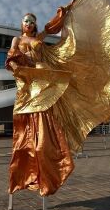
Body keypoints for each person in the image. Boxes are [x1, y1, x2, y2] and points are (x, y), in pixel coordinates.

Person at [5, 12, 74, 197]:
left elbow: (51, 27)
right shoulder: (16, 39)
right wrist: (17, 70)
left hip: (40, 82)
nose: (29, 23)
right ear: (22, 23)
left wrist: (65, 11)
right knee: (24, 128)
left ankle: (49, 166)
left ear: (35, 25)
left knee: (44, 123)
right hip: (26, 84)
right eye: (26, 20)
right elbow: (11, 58)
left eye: (32, 21)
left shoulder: (38, 38)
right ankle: (23, 173)